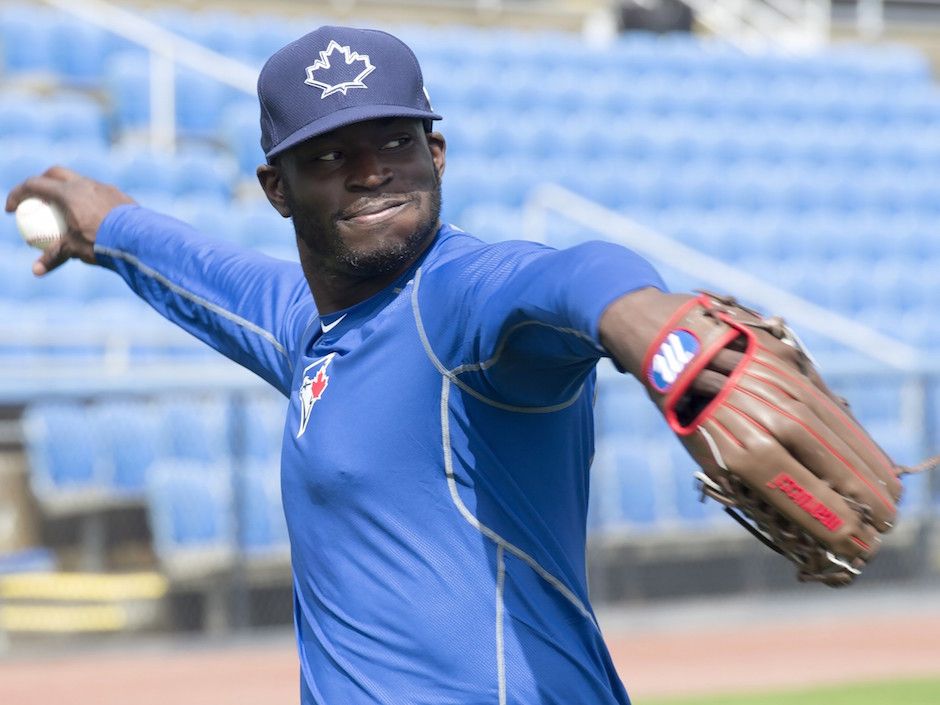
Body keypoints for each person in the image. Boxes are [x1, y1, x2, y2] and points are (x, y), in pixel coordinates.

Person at [6, 25, 719, 705]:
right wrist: (108, 226)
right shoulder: (314, 324)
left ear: (435, 152)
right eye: (328, 155)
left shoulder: (457, 300)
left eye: (394, 140)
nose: (372, 171)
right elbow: (207, 273)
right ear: (276, 188)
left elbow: (567, 276)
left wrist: (640, 314)